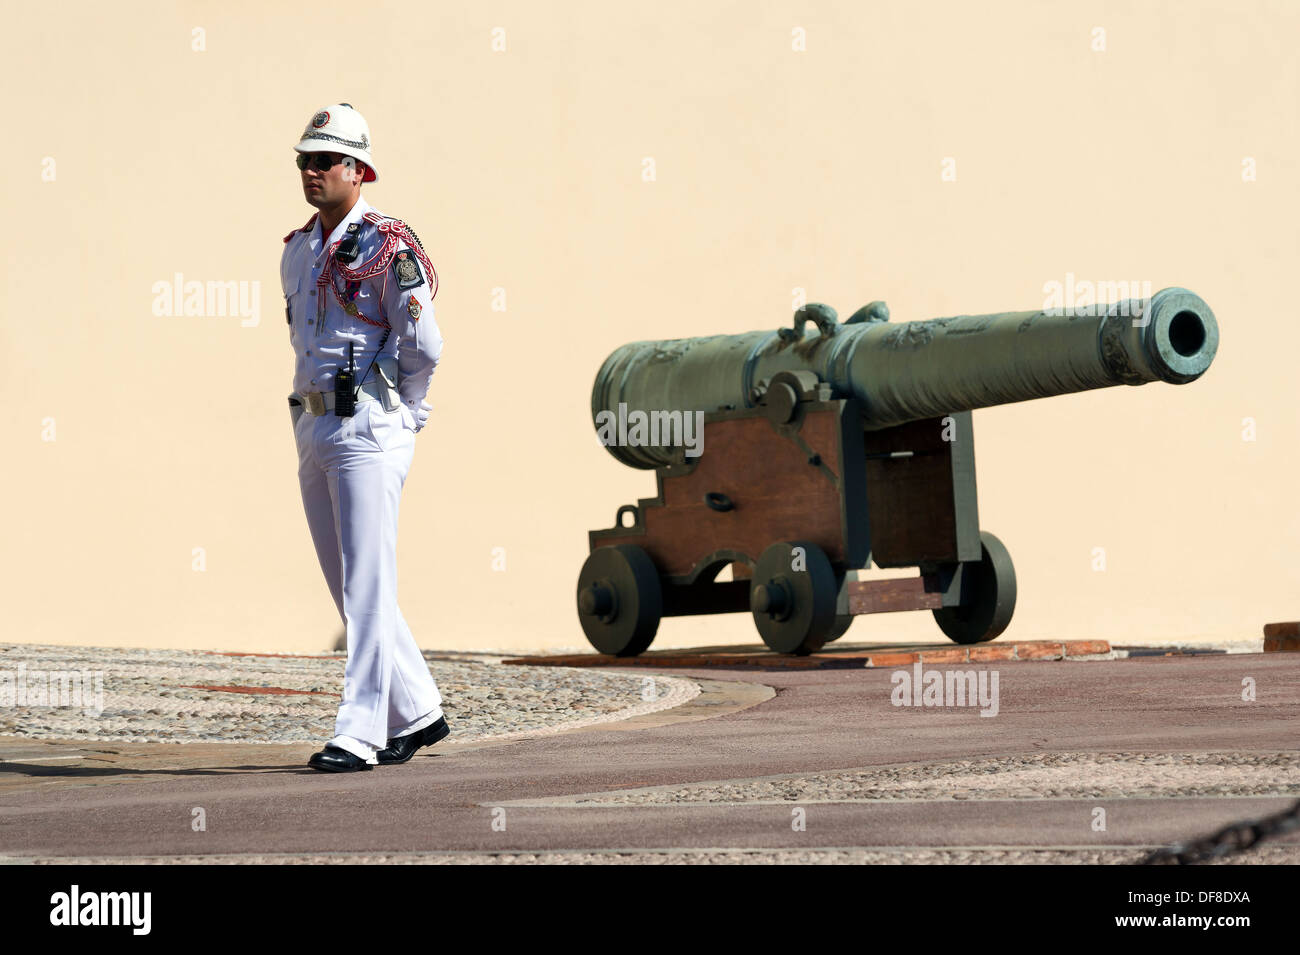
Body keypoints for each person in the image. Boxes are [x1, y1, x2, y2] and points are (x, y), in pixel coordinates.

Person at [282, 103, 450, 772]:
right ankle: (418, 709)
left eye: (325, 160)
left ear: (360, 169)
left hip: (367, 422)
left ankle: (359, 730)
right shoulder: (297, 251)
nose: (311, 170)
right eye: (304, 160)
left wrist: (403, 412)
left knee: (368, 584)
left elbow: (424, 343)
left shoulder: (388, 247)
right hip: (312, 422)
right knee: (347, 581)